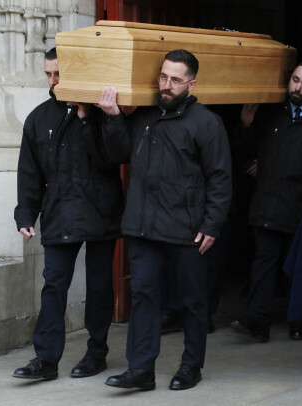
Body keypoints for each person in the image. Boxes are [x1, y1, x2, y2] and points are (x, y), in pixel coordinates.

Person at [98, 49, 232, 391]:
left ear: (191, 83)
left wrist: (211, 225)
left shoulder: (206, 122)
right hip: (143, 225)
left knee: (191, 300)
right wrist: (113, 117)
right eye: (163, 77)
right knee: (144, 296)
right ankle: (140, 370)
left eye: (175, 79)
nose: (167, 85)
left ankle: (191, 366)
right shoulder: (142, 116)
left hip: (188, 229)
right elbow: (117, 155)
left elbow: (220, 178)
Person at [12, 48, 124, 381]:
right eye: (48, 73)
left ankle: (96, 353)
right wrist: (25, 214)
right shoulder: (39, 117)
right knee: (54, 285)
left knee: (100, 286)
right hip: (60, 212)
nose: (53, 80)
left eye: (59, 73)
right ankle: (45, 361)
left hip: (102, 211)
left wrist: (91, 117)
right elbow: (29, 172)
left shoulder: (104, 113)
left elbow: (115, 158)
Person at [230, 61, 302, 342]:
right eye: (295, 80)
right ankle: (257, 322)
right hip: (267, 201)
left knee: (298, 269)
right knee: (263, 265)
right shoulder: (271, 113)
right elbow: (245, 150)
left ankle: (298, 322)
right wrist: (246, 128)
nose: (298, 87)